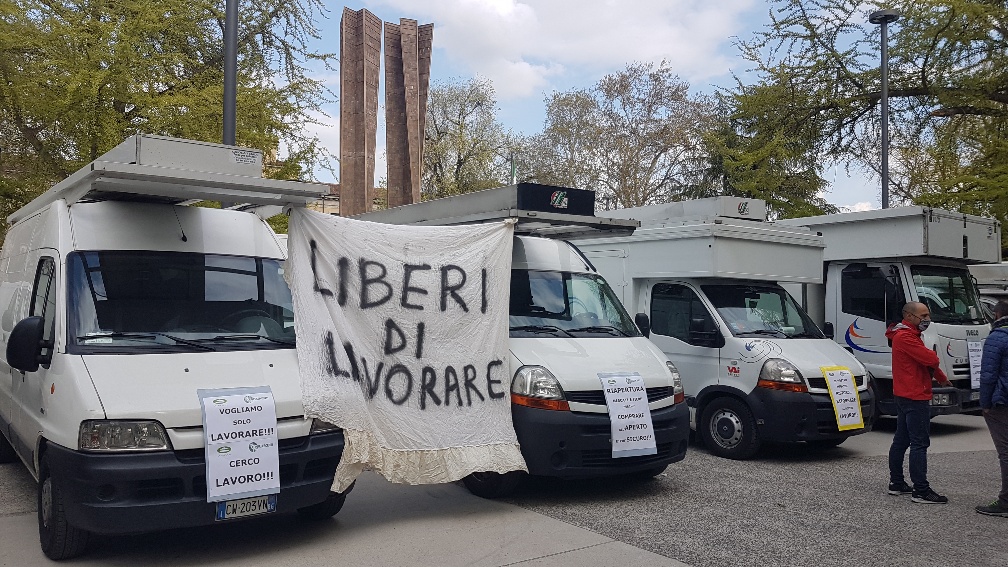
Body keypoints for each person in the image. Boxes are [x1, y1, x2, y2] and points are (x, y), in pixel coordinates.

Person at [886, 301, 953, 504]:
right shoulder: (906, 337)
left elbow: (925, 363)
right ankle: (921, 490)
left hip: (905, 393)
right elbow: (930, 359)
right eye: (923, 316)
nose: (927, 319)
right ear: (909, 316)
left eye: (928, 315)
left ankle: (897, 483)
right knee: (919, 443)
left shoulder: (905, 335)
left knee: (902, 440)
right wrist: (935, 359)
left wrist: (941, 378)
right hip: (915, 395)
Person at [977, 300, 1008, 517]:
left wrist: (985, 404)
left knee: (1005, 452)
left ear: (996, 314)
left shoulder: (997, 337)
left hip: (1002, 402)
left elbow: (988, 374)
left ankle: (1005, 502)